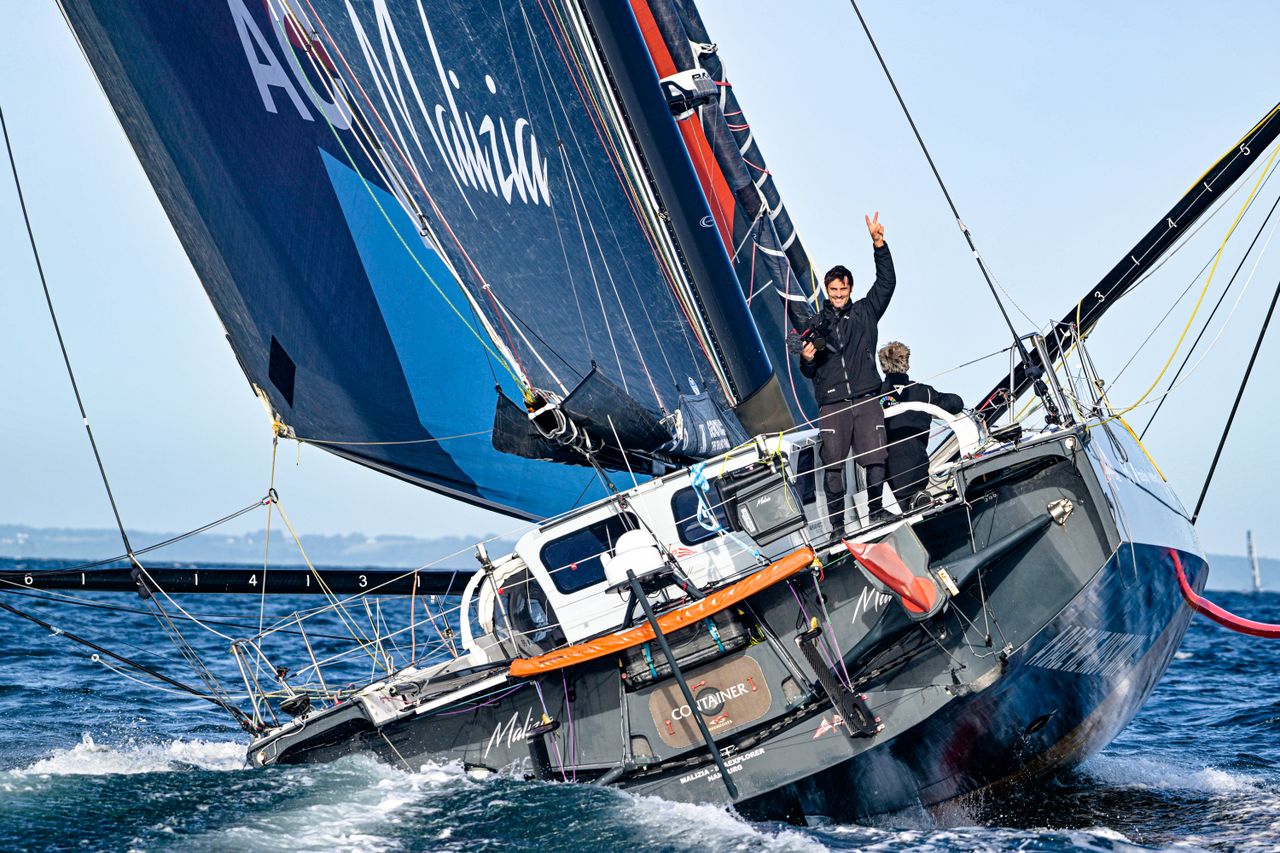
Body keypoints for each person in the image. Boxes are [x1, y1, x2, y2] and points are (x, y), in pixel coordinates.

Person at [800, 212, 895, 535]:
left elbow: (887, 284)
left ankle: (877, 511)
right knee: (833, 468)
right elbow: (807, 369)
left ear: (850, 288)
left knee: (876, 458)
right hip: (832, 404)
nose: (838, 295)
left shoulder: (865, 313)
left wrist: (878, 244)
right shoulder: (815, 324)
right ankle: (838, 527)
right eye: (832, 290)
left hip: (866, 399)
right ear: (826, 290)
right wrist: (808, 358)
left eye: (842, 289)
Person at [878, 341, 965, 511]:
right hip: (916, 471)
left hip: (885, 476)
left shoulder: (876, 394)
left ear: (883, 367)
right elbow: (956, 403)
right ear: (907, 364)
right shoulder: (924, 392)